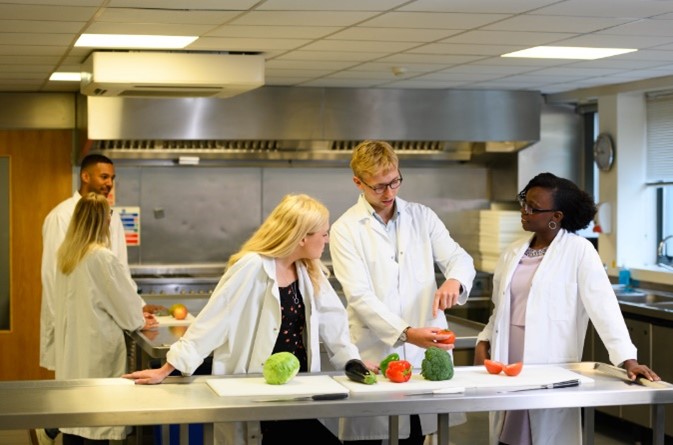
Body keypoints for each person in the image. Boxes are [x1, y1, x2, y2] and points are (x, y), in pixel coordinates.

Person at [124, 194, 367, 445]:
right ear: (303, 236)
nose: (327, 240)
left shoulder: (307, 268)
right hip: (259, 388)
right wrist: (167, 368)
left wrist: (352, 360)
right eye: (323, 233)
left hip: (297, 388)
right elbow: (213, 320)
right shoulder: (252, 266)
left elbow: (333, 319)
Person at [474, 172, 660, 445]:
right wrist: (485, 339)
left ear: (557, 216)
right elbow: (499, 309)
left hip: (547, 359)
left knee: (540, 432)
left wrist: (627, 359)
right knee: (506, 433)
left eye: (533, 208)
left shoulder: (579, 251)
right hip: (507, 354)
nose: (524, 211)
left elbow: (604, 308)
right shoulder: (512, 252)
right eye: (524, 202)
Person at [329, 140, 476, 445]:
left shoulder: (421, 216)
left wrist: (455, 281)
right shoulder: (345, 229)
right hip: (375, 350)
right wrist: (407, 333)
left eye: (395, 182)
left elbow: (458, 258)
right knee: (370, 436)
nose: (390, 193)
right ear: (358, 182)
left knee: (417, 433)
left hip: (424, 353)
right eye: (379, 186)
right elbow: (359, 296)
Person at [36, 154, 162, 445]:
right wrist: (138, 314)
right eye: (109, 216)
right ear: (102, 220)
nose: (111, 220)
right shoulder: (99, 257)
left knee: (75, 424)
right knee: (94, 426)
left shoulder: (71, 256)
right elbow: (129, 316)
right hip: (96, 353)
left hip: (77, 347)